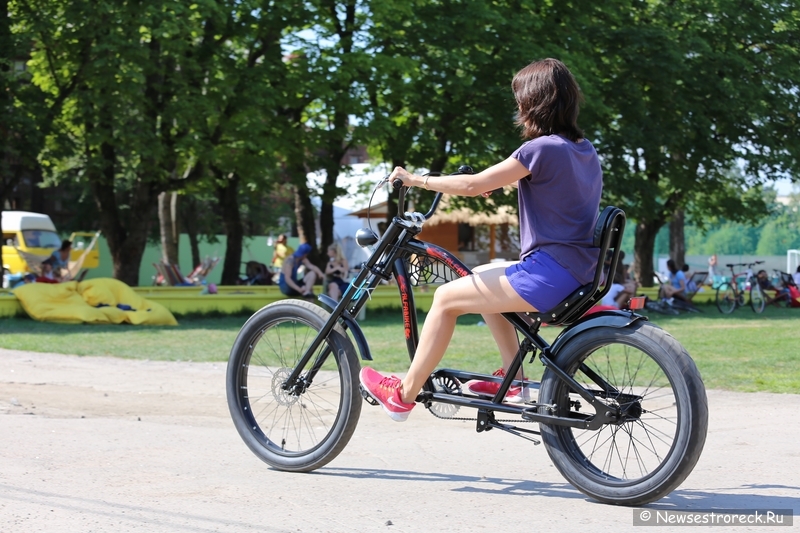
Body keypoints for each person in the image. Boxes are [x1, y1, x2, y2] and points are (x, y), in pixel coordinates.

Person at [359, 58, 603, 421]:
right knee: (486, 272)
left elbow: (473, 185)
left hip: (549, 274)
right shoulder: (583, 149)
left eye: (520, 100)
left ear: (534, 102)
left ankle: (403, 395)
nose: (518, 108)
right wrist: (500, 183)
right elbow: (555, 192)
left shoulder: (541, 148)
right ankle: (515, 380)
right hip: (578, 271)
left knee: (443, 299)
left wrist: (416, 180)